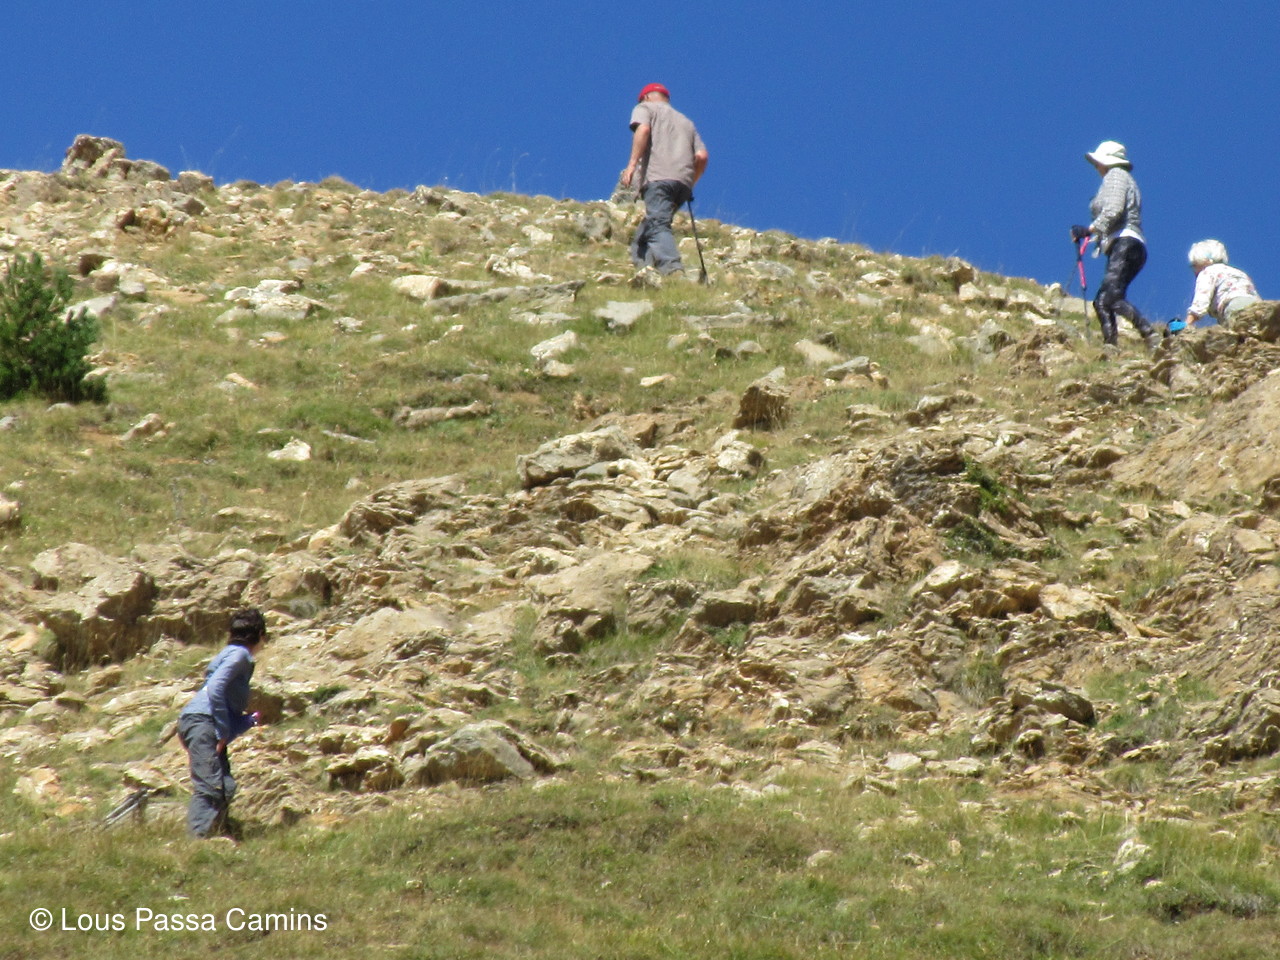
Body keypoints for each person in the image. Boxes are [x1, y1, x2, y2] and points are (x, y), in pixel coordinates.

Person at [177, 608, 267, 838]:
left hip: (200, 722)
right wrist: (223, 731)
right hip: (203, 722)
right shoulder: (240, 655)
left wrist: (248, 721)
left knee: (226, 786)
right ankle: (195, 843)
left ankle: (220, 835)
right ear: (259, 635)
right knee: (210, 786)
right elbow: (216, 689)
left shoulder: (228, 654)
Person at [1071, 140, 1157, 348]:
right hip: (1128, 245)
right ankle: (1110, 346)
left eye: (1097, 162)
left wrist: (1090, 229)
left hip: (1125, 242)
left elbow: (1114, 209)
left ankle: (1148, 332)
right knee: (1102, 301)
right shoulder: (1122, 178)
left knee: (1110, 297)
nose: (1096, 167)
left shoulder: (1116, 176)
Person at [621, 82, 708, 277]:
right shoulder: (686, 122)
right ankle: (646, 274)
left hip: (658, 177)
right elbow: (702, 156)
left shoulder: (645, 108)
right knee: (644, 236)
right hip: (683, 183)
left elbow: (643, 130)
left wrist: (632, 165)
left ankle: (672, 269)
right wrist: (691, 183)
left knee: (657, 226)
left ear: (646, 97)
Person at [1169, 239, 1260, 333]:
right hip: (1257, 307)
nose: (1194, 271)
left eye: (1194, 265)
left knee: (1238, 335)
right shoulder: (1239, 273)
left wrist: (1187, 323)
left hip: (1235, 307)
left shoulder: (1207, 272)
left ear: (1204, 261)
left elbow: (1200, 303)